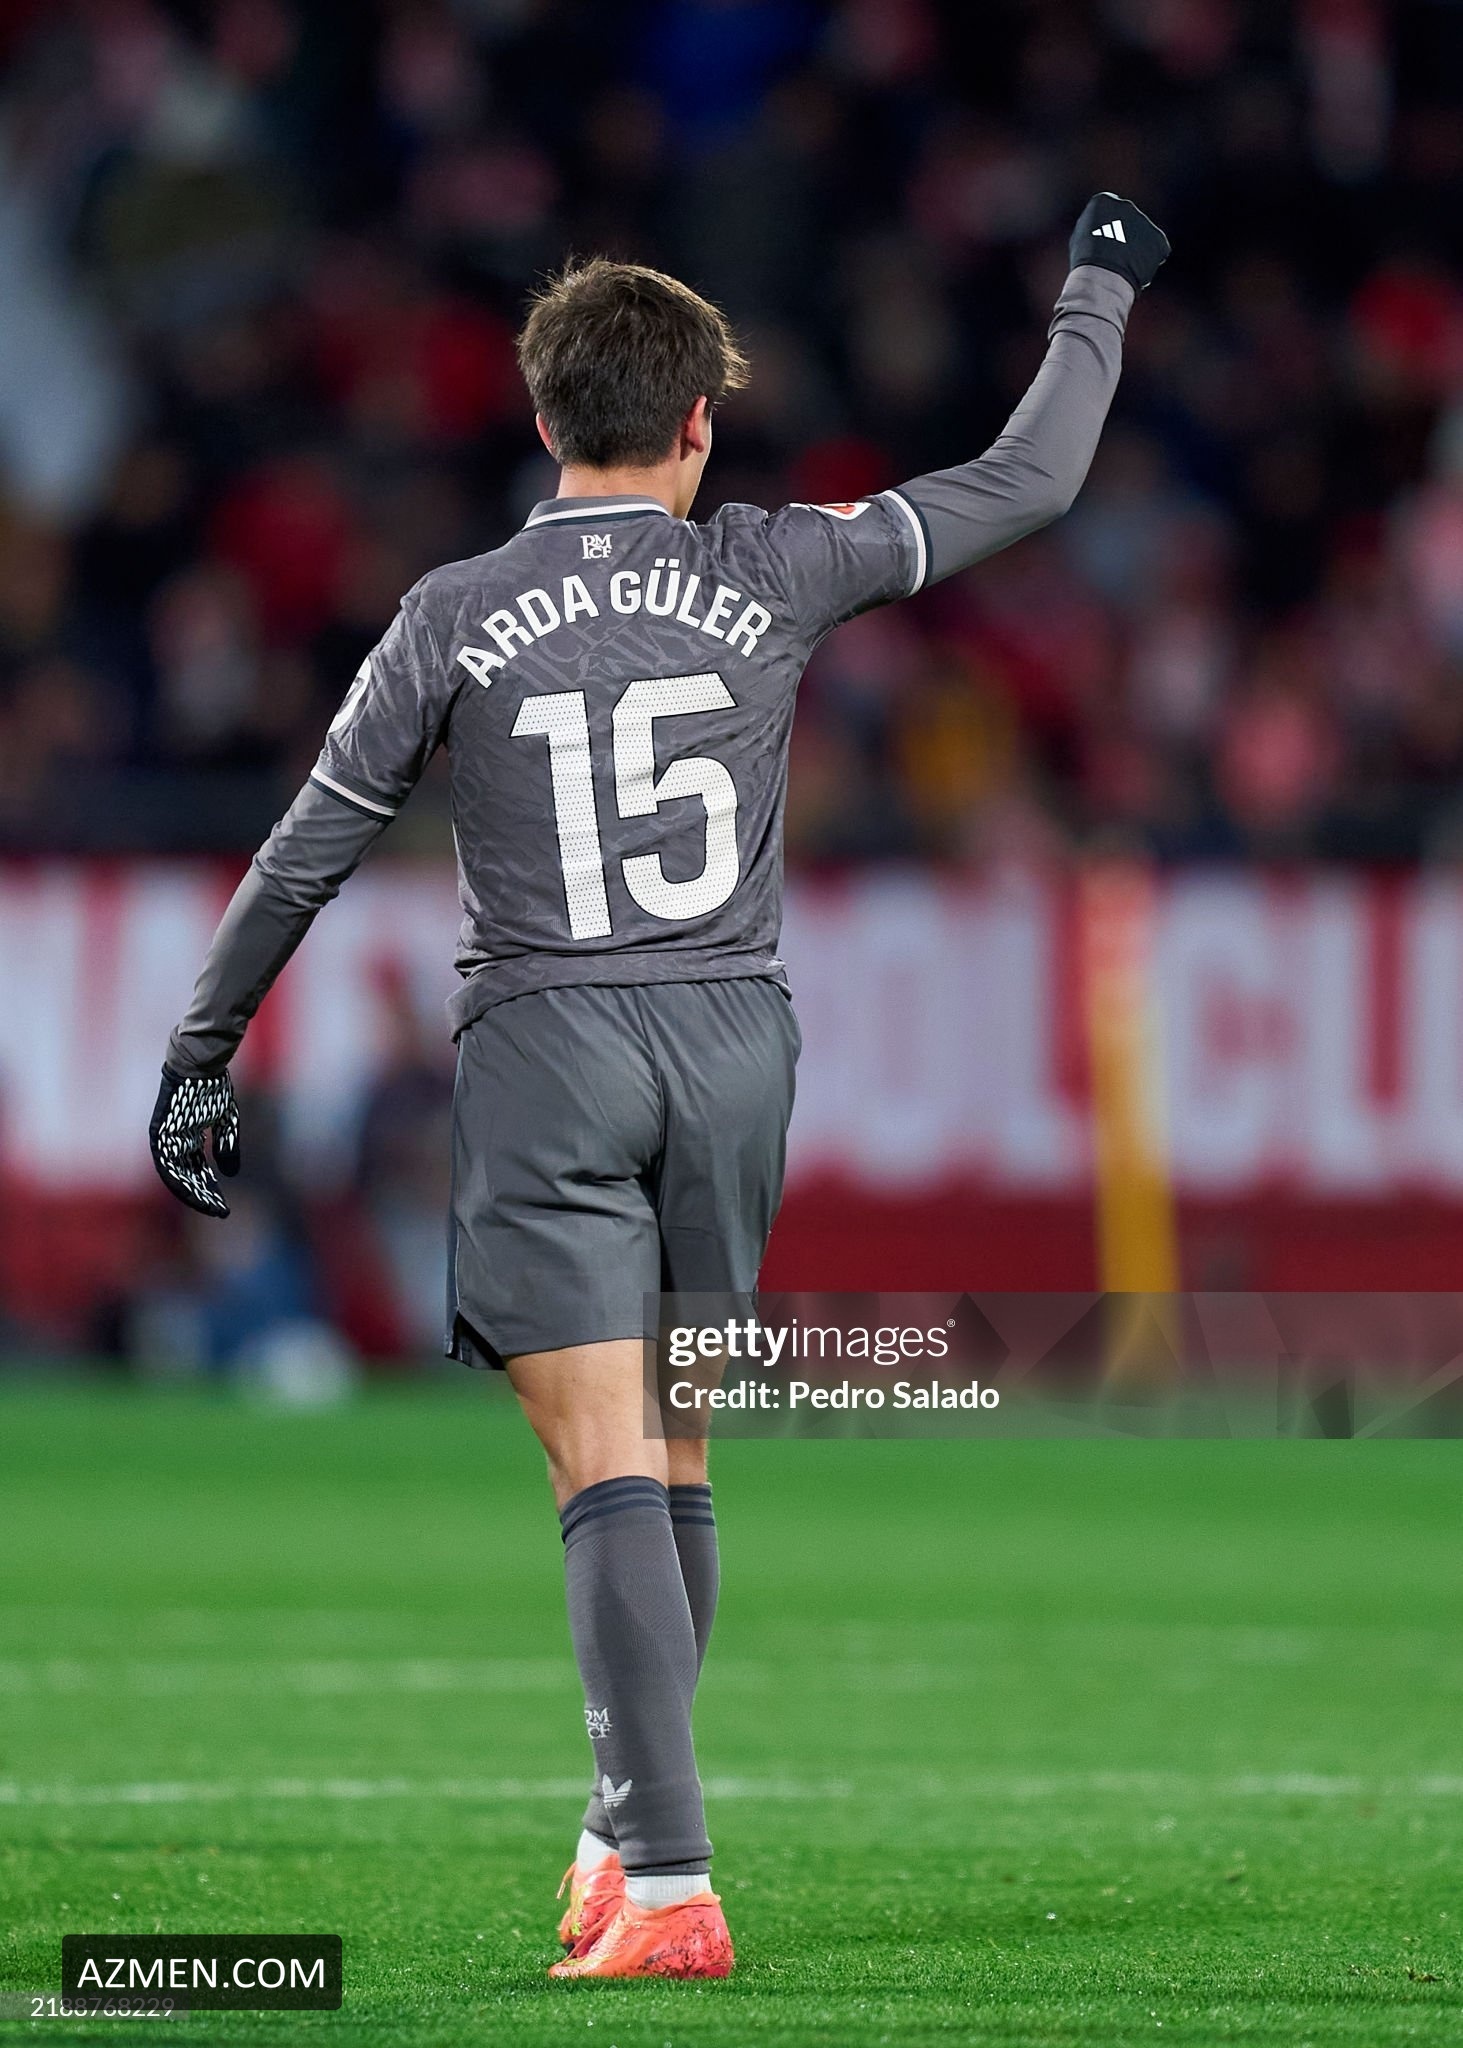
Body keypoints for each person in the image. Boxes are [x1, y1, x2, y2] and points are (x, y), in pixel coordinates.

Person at [149, 193, 1169, 1981]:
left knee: (600, 1464)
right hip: (733, 1049)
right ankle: (622, 1842)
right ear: (698, 424)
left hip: (551, 1045)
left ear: (546, 418)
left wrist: (199, 1049)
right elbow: (1031, 482)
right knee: (676, 1451)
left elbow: (309, 848)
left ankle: (675, 1887)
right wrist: (1100, 279)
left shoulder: (455, 613)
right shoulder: (776, 563)